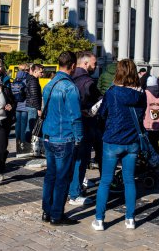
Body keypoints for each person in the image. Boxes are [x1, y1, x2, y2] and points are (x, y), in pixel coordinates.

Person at [92, 59, 146, 231]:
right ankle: (130, 219)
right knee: (129, 181)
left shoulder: (112, 92)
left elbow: (101, 114)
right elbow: (141, 115)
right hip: (132, 141)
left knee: (106, 181)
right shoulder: (141, 94)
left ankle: (99, 220)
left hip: (112, 140)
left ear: (119, 73)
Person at [41, 51, 83, 226]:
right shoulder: (70, 87)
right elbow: (75, 116)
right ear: (72, 65)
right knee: (62, 178)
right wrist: (79, 137)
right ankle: (57, 215)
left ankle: (47, 211)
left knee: (50, 175)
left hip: (48, 136)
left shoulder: (49, 84)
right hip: (64, 137)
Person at [68, 51, 103, 206]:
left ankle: (74, 189)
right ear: (86, 63)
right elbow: (93, 102)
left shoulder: (69, 78)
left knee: (74, 159)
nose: (96, 66)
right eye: (94, 64)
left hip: (68, 126)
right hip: (85, 125)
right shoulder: (87, 82)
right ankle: (74, 193)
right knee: (81, 160)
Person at [143, 75, 159, 153]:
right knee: (155, 142)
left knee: (147, 143)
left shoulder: (145, 93)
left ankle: (149, 160)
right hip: (158, 122)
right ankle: (155, 161)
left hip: (147, 122)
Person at [11, 63, 29, 155]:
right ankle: (23, 145)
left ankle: (17, 144)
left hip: (17, 106)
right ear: (25, 70)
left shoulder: (15, 79)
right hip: (25, 106)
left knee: (18, 126)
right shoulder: (27, 79)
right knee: (24, 127)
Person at [25, 64, 44, 146]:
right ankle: (27, 145)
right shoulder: (33, 81)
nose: (42, 74)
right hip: (33, 106)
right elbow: (34, 96)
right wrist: (39, 109)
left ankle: (28, 143)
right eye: (41, 72)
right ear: (35, 71)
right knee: (31, 127)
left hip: (31, 105)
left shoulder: (33, 80)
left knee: (31, 126)